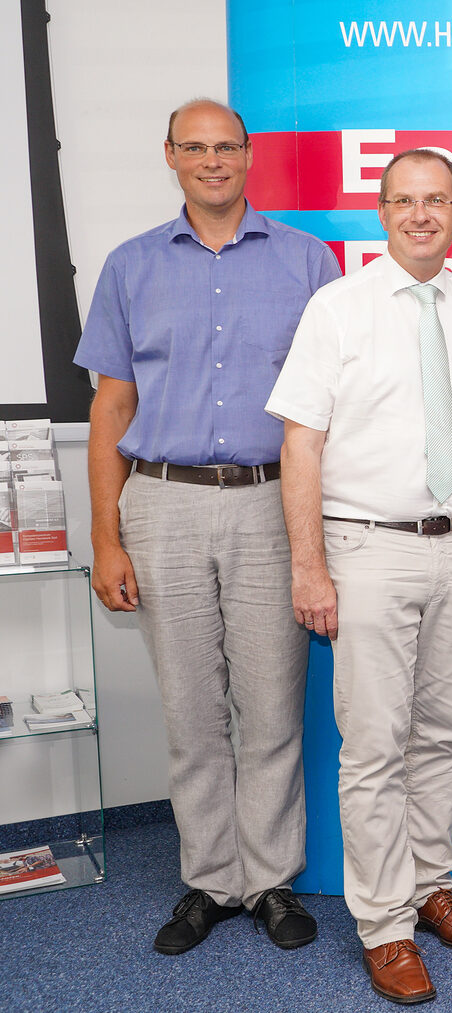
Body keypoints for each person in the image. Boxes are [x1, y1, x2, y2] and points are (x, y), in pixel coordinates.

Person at [74, 99, 338, 955]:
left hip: (274, 502)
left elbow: (335, 403)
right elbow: (111, 404)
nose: (213, 160)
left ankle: (268, 881)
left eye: (228, 147)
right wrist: (106, 535)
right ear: (171, 156)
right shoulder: (130, 265)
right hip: (163, 502)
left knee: (269, 707)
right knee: (192, 710)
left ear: (249, 156)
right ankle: (210, 880)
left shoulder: (310, 261)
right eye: (197, 147)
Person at [266, 149, 452, 1004]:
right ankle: (385, 926)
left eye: (436, 200)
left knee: (443, 732)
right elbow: (302, 443)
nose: (420, 215)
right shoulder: (336, 308)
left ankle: (431, 884)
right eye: (404, 200)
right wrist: (309, 565)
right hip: (366, 547)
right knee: (374, 746)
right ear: (381, 209)